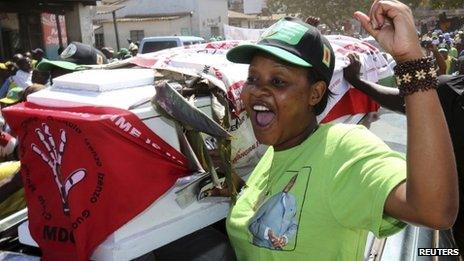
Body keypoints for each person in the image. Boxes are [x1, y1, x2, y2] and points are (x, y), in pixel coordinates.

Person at [223, 1, 458, 260]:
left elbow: (434, 211)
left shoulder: (341, 149)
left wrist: (410, 60)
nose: (257, 91)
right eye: (252, 79)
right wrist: (238, 185)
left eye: (277, 81)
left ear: (316, 93)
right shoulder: (273, 153)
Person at [344, 51, 464, 255]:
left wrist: (358, 81)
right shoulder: (451, 90)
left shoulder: (450, 90)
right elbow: (405, 101)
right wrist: (357, 81)